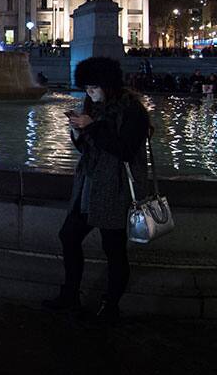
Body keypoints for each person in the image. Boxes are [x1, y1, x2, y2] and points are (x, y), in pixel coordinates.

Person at [43, 57, 150, 324]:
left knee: (113, 249)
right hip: (90, 185)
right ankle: (70, 294)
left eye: (93, 87)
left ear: (108, 84)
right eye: (86, 88)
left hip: (115, 187)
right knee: (68, 236)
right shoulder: (96, 107)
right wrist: (79, 131)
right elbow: (88, 149)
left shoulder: (132, 111)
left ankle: (110, 305)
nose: (89, 93)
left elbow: (124, 150)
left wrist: (91, 127)